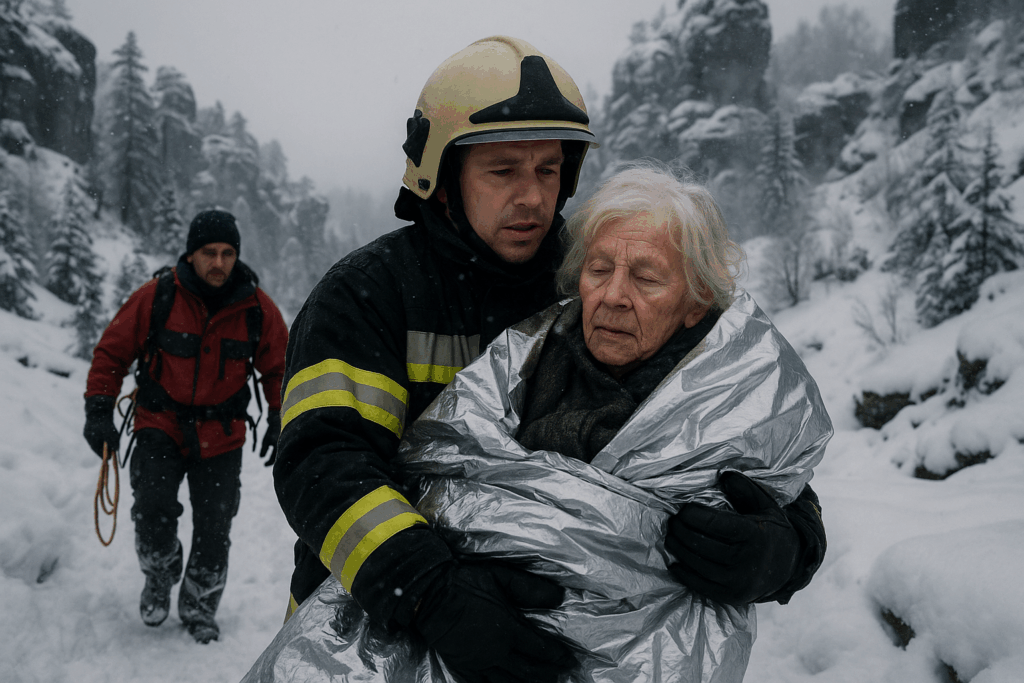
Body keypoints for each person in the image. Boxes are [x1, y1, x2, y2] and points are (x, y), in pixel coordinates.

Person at [271, 36, 826, 683]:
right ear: (443, 179)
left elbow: (724, 437)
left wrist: (784, 548)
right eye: (503, 170)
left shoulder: (596, 278)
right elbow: (322, 464)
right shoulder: (368, 294)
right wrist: (430, 593)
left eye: (547, 169)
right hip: (367, 641)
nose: (532, 197)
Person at [83, 209, 288, 644]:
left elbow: (281, 369)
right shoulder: (157, 296)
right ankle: (160, 574)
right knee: (152, 512)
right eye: (209, 252)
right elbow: (111, 353)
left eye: (228, 253)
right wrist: (98, 410)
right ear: (191, 254)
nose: (219, 263)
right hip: (160, 425)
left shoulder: (256, 309)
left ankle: (199, 606)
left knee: (215, 528)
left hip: (223, 436)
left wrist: (279, 416)